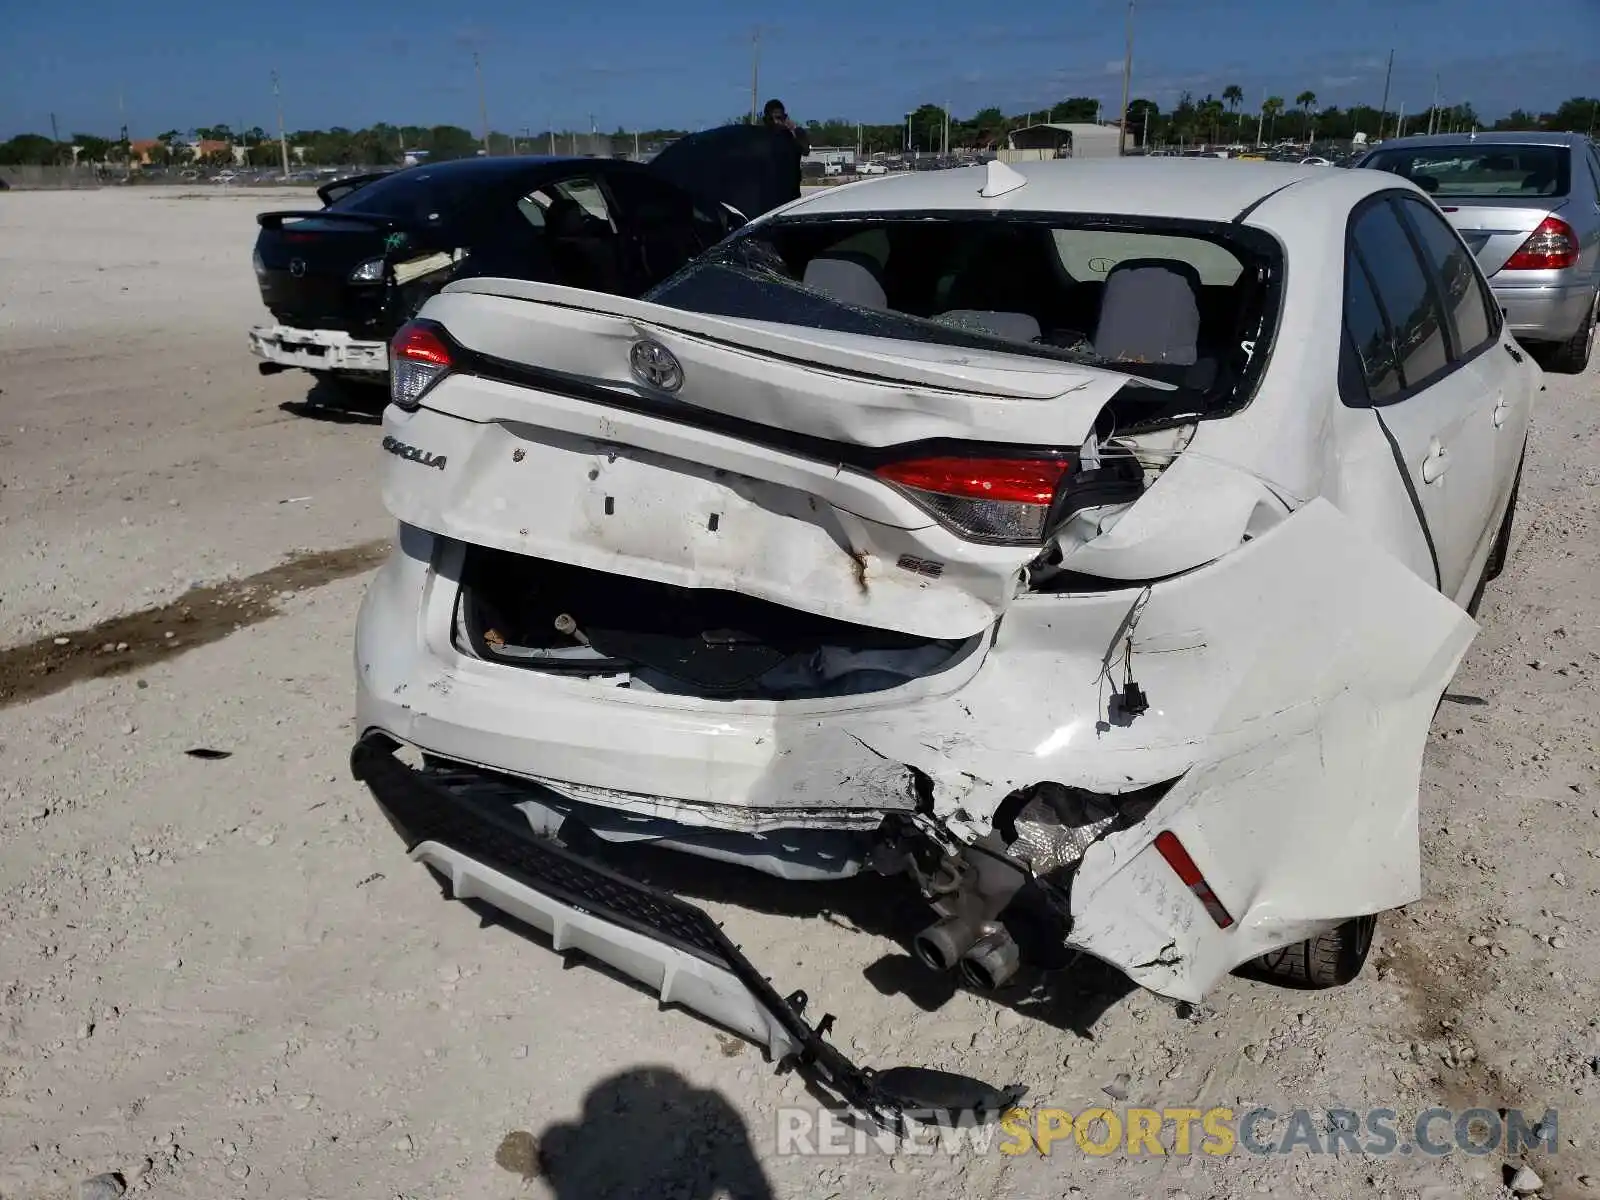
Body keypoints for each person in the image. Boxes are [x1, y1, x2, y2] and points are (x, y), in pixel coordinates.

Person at [762, 98, 810, 201]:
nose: (778, 122)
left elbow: (805, 150)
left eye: (781, 118)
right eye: (775, 118)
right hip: (768, 191)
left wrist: (792, 132)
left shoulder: (793, 134)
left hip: (791, 191)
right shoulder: (763, 136)